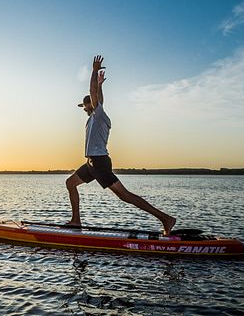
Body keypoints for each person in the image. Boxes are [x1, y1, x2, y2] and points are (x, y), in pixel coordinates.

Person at [66, 55, 177, 235]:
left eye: (85, 106)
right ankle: (76, 221)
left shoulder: (99, 115)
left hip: (100, 162)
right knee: (70, 183)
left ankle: (166, 218)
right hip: (91, 163)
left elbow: (94, 95)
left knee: (125, 196)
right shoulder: (94, 118)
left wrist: (94, 71)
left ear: (90, 105)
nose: (84, 109)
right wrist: (101, 86)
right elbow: (98, 96)